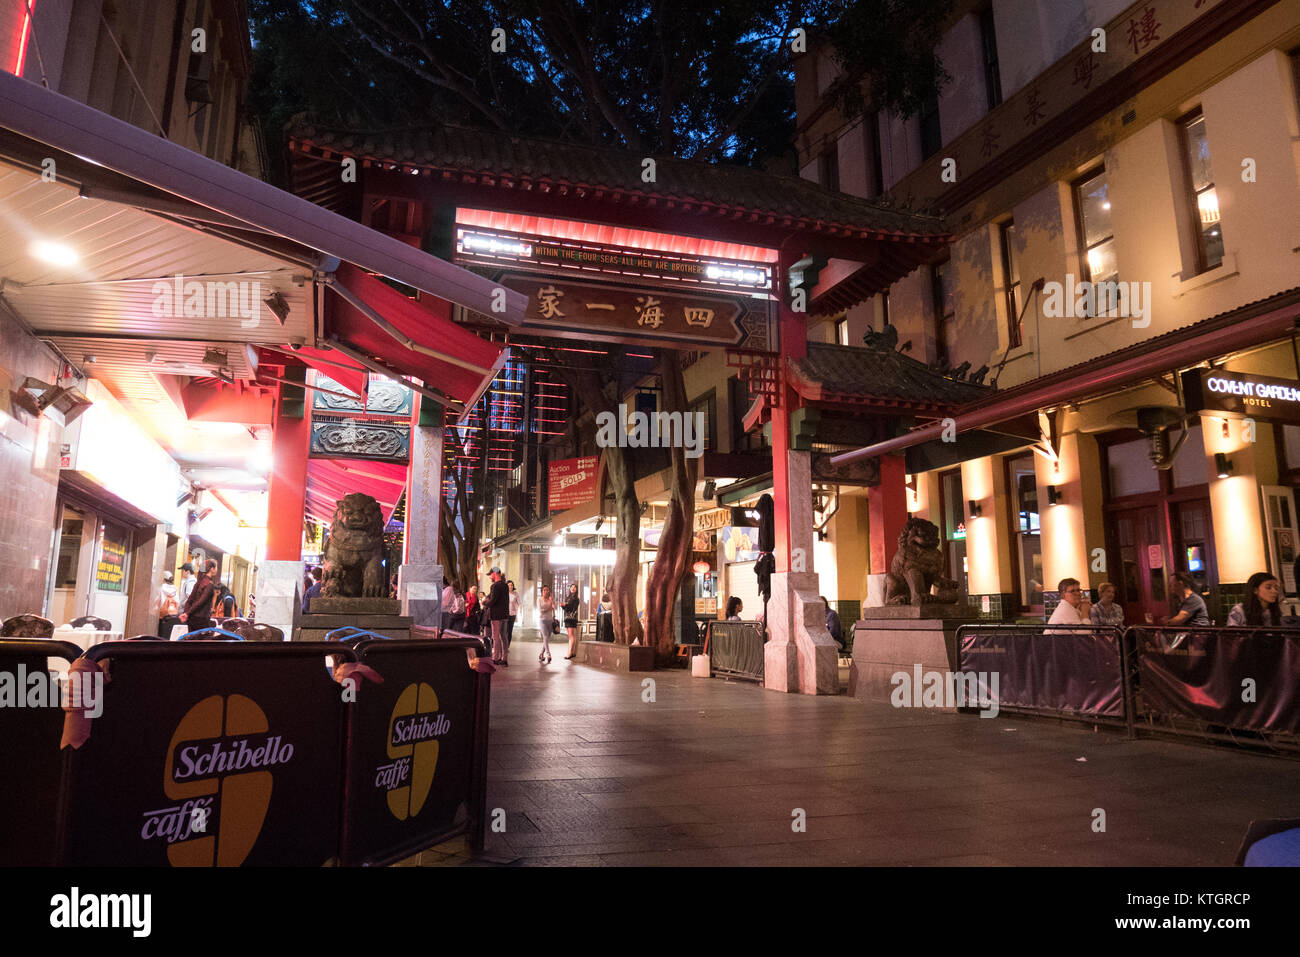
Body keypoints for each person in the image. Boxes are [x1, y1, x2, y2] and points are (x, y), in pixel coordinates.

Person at [179, 559, 217, 634]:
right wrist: (187, 613)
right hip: (201, 619)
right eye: (216, 567)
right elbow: (200, 602)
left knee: (191, 643)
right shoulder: (209, 584)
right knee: (201, 644)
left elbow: (190, 600)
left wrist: (186, 613)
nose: (216, 569)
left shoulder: (199, 582)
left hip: (191, 619)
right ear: (212, 569)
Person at [484, 567, 510, 666]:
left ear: (495, 573)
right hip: (505, 614)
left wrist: (485, 603)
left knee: (495, 637)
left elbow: (493, 600)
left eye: (490, 574)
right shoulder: (505, 585)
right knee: (503, 636)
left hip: (496, 615)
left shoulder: (495, 586)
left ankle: (495, 658)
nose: (490, 576)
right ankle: (504, 658)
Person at [157, 571, 180, 638]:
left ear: (163, 579)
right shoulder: (175, 589)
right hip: (172, 616)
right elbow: (178, 601)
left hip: (162, 616)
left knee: (160, 635)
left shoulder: (161, 587)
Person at [537, 585, 556, 664]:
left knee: (547, 639)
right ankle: (548, 654)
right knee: (545, 636)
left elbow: (555, 607)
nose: (546, 591)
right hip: (542, 620)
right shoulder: (539, 599)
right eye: (544, 590)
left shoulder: (550, 599)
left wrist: (552, 601)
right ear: (542, 591)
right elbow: (540, 610)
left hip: (550, 620)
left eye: (547, 590)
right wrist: (549, 608)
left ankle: (541, 654)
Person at [562, 584, 581, 660]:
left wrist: (565, 605)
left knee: (571, 636)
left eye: (574, 587)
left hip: (572, 618)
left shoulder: (576, 599)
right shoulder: (568, 598)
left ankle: (569, 653)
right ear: (569, 589)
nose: (573, 588)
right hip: (567, 618)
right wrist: (564, 606)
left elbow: (572, 608)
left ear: (576, 590)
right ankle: (573, 652)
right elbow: (566, 608)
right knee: (571, 636)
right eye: (571, 587)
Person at [506, 580, 519, 651]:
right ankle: (503, 646)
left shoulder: (515, 594)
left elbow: (519, 602)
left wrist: (519, 609)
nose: (510, 586)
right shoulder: (505, 594)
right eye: (509, 585)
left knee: (509, 631)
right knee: (504, 631)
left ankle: (507, 646)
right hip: (505, 614)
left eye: (511, 585)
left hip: (512, 614)